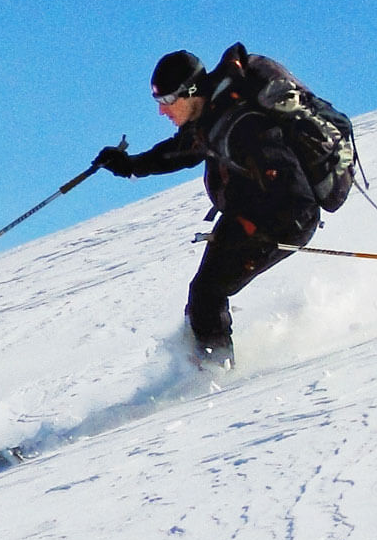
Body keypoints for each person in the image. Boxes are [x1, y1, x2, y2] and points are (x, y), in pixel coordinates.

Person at [94, 46, 321, 367]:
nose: (162, 111)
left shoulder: (241, 122)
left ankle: (215, 375)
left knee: (206, 295)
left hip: (281, 220)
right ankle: (200, 367)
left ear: (191, 92)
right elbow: (178, 152)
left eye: (168, 101)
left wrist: (273, 226)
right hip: (250, 215)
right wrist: (130, 165)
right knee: (202, 296)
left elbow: (285, 176)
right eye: (158, 102)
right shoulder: (213, 118)